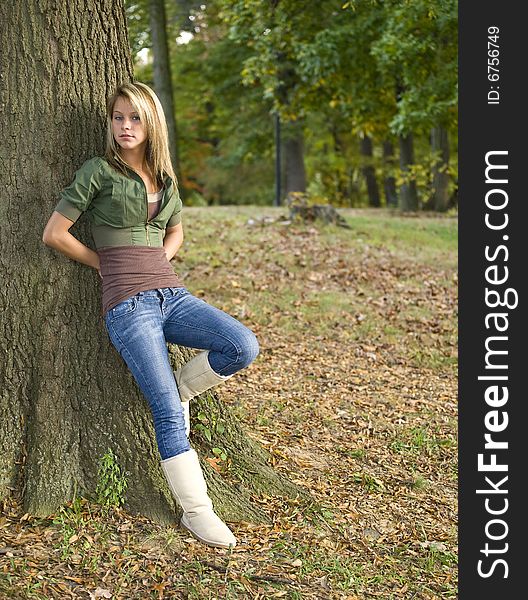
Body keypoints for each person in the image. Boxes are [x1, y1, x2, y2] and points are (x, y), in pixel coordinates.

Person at [42, 81, 259, 549]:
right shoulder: (99, 171)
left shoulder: (163, 176)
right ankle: (197, 512)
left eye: (134, 118)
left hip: (172, 295)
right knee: (165, 412)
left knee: (242, 346)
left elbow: (177, 230)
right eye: (118, 117)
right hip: (128, 305)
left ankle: (184, 385)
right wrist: (107, 264)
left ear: (151, 123)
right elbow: (54, 233)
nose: (124, 126)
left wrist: (160, 258)